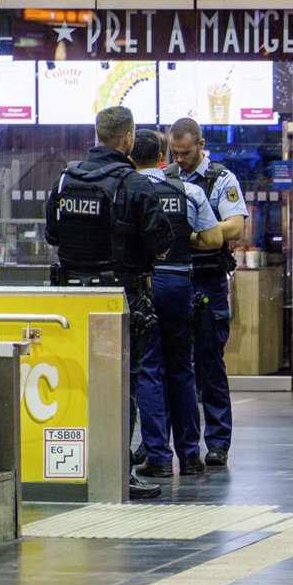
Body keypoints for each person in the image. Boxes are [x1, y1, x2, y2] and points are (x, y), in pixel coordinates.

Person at [45, 107, 174, 500]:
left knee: (74, 382)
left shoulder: (66, 179)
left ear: (97, 134)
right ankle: (117, 471)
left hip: (69, 299)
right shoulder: (134, 185)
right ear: (128, 138)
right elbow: (161, 244)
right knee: (123, 385)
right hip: (119, 298)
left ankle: (71, 465)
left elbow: (53, 235)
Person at [129, 130, 222, 479]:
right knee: (183, 368)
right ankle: (191, 455)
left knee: (151, 369)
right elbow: (214, 239)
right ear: (162, 156)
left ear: (130, 156)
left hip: (147, 283)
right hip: (181, 282)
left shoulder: (129, 189)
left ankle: (158, 457)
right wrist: (183, 241)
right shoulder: (189, 190)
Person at [167, 118, 248, 467]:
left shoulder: (220, 179)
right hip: (173, 279)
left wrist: (199, 232)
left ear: (200, 144)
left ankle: (217, 441)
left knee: (210, 363)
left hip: (207, 280)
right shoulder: (165, 177)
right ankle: (172, 441)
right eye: (175, 152)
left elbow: (235, 226)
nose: (180, 159)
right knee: (173, 365)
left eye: (186, 152)